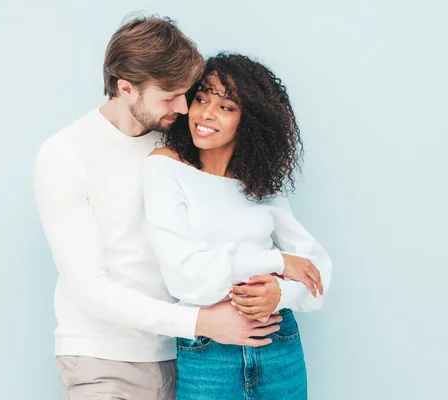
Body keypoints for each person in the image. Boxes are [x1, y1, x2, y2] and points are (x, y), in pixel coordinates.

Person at [33, 16, 285, 400]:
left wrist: (282, 268)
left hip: (185, 357)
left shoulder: (179, 146)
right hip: (102, 360)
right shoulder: (65, 154)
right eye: (169, 97)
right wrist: (200, 321)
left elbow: (232, 221)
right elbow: (89, 287)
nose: (184, 108)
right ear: (125, 88)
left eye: (187, 94)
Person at [143, 53, 333, 399]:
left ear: (250, 121)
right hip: (208, 353)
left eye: (226, 107)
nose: (206, 114)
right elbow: (186, 276)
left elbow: (317, 271)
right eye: (201, 99)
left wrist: (280, 293)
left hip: (278, 346)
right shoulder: (165, 168)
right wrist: (278, 263)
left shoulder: (261, 186)